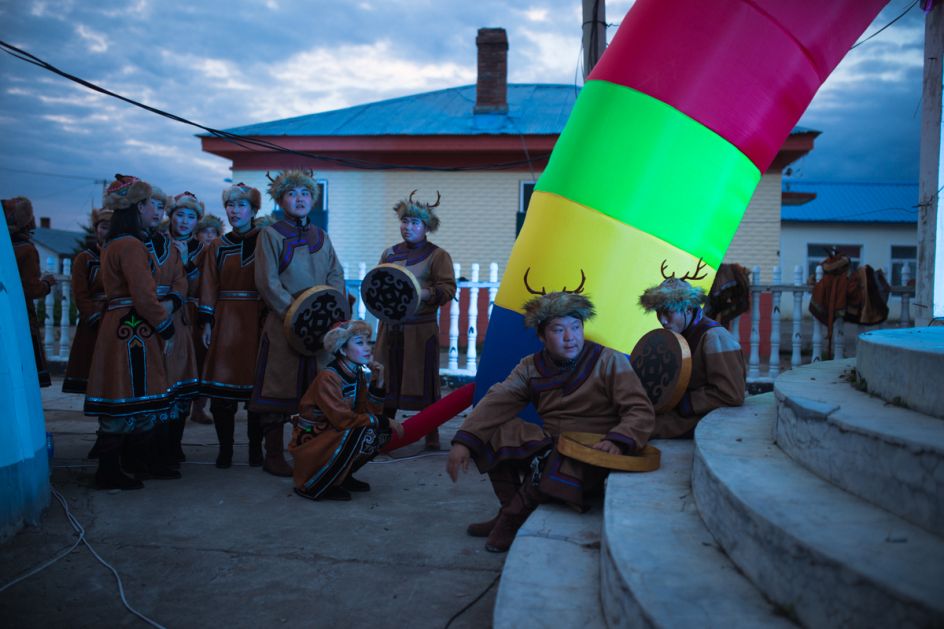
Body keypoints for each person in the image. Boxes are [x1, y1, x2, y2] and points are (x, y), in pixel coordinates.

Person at [446, 292, 655, 552]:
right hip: (552, 440)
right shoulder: (530, 367)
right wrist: (463, 442)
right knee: (491, 431)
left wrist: (617, 440)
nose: (570, 337)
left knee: (553, 457)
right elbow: (499, 399)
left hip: (594, 450)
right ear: (542, 337)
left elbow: (639, 409)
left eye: (576, 327)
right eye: (559, 330)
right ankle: (507, 509)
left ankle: (513, 518)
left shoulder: (608, 361)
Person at [249, 169, 345, 477]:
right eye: (292, 194)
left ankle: (311, 451)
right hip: (283, 324)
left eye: (305, 193)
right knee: (279, 389)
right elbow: (267, 281)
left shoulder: (321, 235)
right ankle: (273, 454)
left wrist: (331, 312)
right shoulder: (271, 234)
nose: (300, 199)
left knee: (317, 391)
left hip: (320, 329)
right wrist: (295, 312)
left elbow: (335, 274)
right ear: (281, 200)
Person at [83, 174, 177, 490]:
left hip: (117, 323)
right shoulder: (132, 246)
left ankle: (125, 465)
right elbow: (144, 294)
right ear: (137, 206)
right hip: (133, 328)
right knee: (131, 394)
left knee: (119, 392)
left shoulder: (111, 244)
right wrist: (165, 326)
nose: (153, 208)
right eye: (149, 203)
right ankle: (115, 469)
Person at [374, 191, 456, 450]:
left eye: (415, 223)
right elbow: (377, 284)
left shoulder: (437, 255)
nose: (408, 227)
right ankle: (384, 431)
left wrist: (424, 293)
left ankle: (431, 433)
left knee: (424, 381)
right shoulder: (389, 253)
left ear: (426, 227)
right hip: (391, 327)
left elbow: (448, 288)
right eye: (405, 221)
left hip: (421, 330)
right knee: (386, 379)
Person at [289, 320, 404, 501]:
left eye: (368, 342)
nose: (367, 348)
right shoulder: (328, 377)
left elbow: (366, 411)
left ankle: (341, 477)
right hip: (314, 438)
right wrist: (384, 420)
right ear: (342, 350)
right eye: (359, 343)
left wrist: (378, 383)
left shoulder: (357, 373)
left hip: (333, 432)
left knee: (379, 432)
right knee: (363, 431)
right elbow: (343, 420)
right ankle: (313, 485)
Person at [198, 183, 265, 468]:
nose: (234, 210)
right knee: (222, 393)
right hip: (226, 320)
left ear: (253, 210)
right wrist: (207, 321)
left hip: (258, 319)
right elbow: (209, 284)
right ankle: (225, 449)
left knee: (257, 395)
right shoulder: (218, 245)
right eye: (230, 205)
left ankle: (255, 451)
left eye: (241, 205)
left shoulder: (266, 240)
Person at [638, 277, 746, 438]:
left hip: (703, 417)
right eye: (659, 312)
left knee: (640, 428)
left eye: (668, 312)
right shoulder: (675, 335)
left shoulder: (714, 337)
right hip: (679, 411)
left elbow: (731, 393)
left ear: (688, 309)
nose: (662, 320)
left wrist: (685, 403)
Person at [4, 196, 55, 388]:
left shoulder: (5, 246)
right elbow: (32, 289)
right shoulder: (26, 249)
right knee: (25, 372)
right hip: (20, 314)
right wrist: (47, 283)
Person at [62, 207, 112, 394]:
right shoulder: (85, 258)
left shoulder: (122, 255)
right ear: (96, 229)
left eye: (112, 227)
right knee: (91, 365)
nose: (107, 232)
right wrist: (92, 315)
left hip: (116, 317)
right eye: (104, 227)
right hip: (94, 320)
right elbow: (80, 293)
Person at [188, 212, 224, 425]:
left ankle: (199, 407)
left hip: (214, 312)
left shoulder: (221, 254)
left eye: (214, 232)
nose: (209, 236)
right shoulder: (190, 253)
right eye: (205, 231)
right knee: (189, 360)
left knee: (206, 361)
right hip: (190, 311)